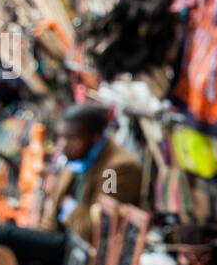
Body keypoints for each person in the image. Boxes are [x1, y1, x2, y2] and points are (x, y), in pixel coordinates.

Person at [39, 102, 142, 240]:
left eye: (72, 138)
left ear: (95, 137)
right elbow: (50, 216)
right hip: (61, 239)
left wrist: (69, 206)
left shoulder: (116, 169)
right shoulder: (75, 160)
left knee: (5, 234)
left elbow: (97, 229)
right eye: (61, 137)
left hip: (85, 250)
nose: (63, 145)